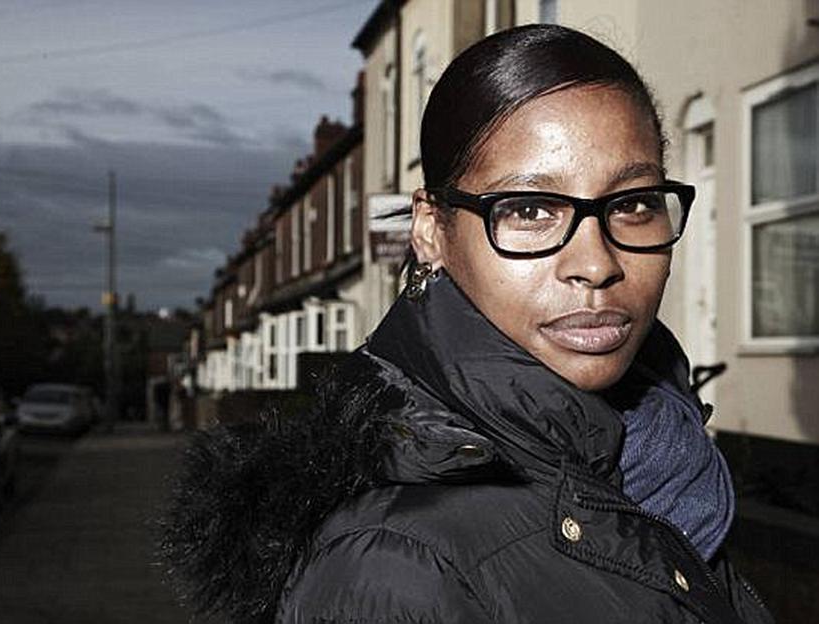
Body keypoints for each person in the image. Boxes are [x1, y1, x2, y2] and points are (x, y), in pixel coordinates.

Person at [161, 24, 774, 624]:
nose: (596, 264)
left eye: (633, 203)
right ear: (431, 229)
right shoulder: (394, 565)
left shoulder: (669, 461)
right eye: (530, 208)